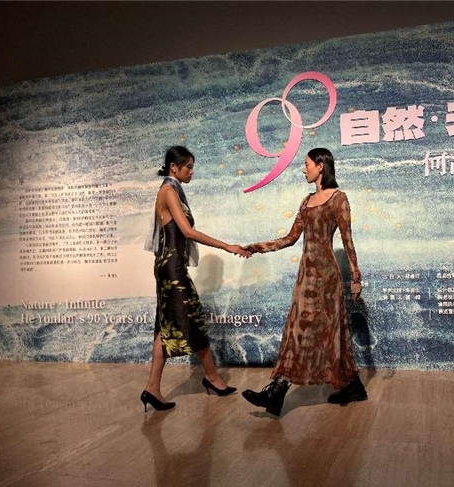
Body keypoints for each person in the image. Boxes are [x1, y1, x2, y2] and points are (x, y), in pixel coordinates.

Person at [241, 147, 367, 417]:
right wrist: (257, 247)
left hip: (326, 279)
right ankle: (353, 387)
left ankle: (276, 392)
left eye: (307, 164)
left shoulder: (339, 199)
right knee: (305, 332)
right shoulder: (306, 201)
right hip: (305, 277)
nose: (303, 169)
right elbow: (290, 238)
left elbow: (348, 240)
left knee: (316, 333)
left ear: (321, 166)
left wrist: (356, 278)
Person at [140, 146, 250, 412]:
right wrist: (227, 246)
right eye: (188, 167)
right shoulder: (169, 191)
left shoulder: (173, 190)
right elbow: (187, 232)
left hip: (169, 266)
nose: (192, 171)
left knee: (166, 326)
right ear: (173, 167)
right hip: (172, 268)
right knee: (193, 320)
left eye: (192, 167)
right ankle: (212, 377)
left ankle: (152, 388)